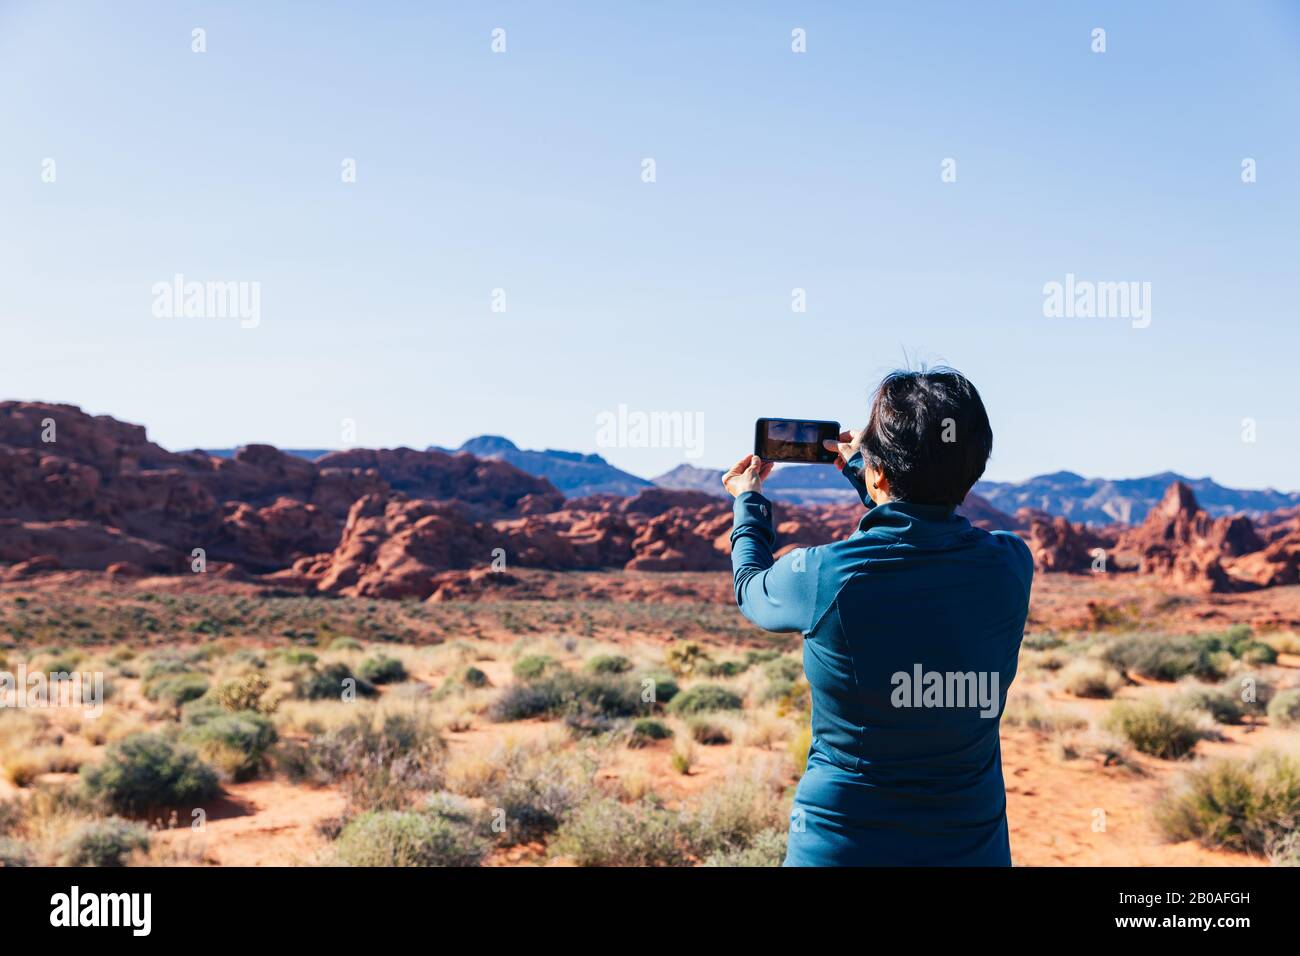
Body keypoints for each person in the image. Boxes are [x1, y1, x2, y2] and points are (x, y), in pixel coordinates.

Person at [722, 368, 1033, 866]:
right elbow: (923, 525)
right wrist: (870, 474)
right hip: (969, 849)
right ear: (974, 466)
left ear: (880, 471)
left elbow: (751, 590)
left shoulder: (822, 575)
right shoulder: (1010, 564)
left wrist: (749, 501)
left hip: (843, 846)